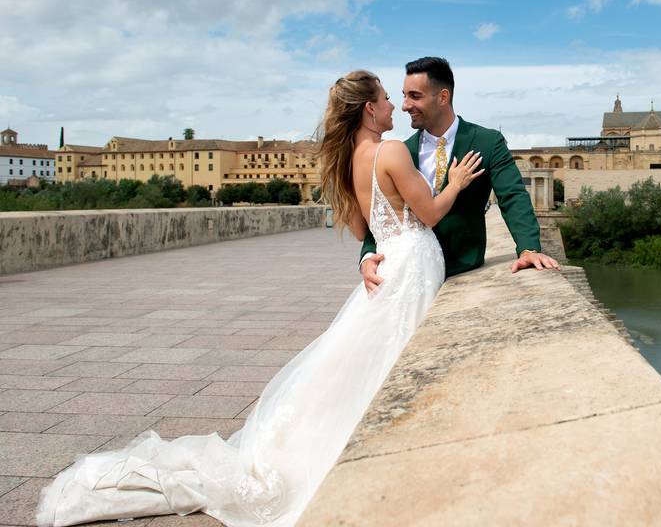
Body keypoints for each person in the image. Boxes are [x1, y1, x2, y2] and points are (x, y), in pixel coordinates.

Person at [36, 70, 484, 527]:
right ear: (369, 108)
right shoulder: (390, 151)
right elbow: (426, 213)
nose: (393, 106)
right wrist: (457, 182)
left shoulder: (348, 160)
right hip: (411, 263)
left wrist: (373, 253)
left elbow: (361, 231)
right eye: (387, 99)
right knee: (388, 359)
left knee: (373, 361)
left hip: (390, 264)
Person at [360, 56, 558, 293]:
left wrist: (528, 249)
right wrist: (368, 255)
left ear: (443, 97)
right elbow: (383, 210)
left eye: (414, 96)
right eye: (403, 95)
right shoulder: (401, 151)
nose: (404, 105)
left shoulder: (488, 142)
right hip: (406, 272)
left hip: (464, 269)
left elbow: (513, 196)